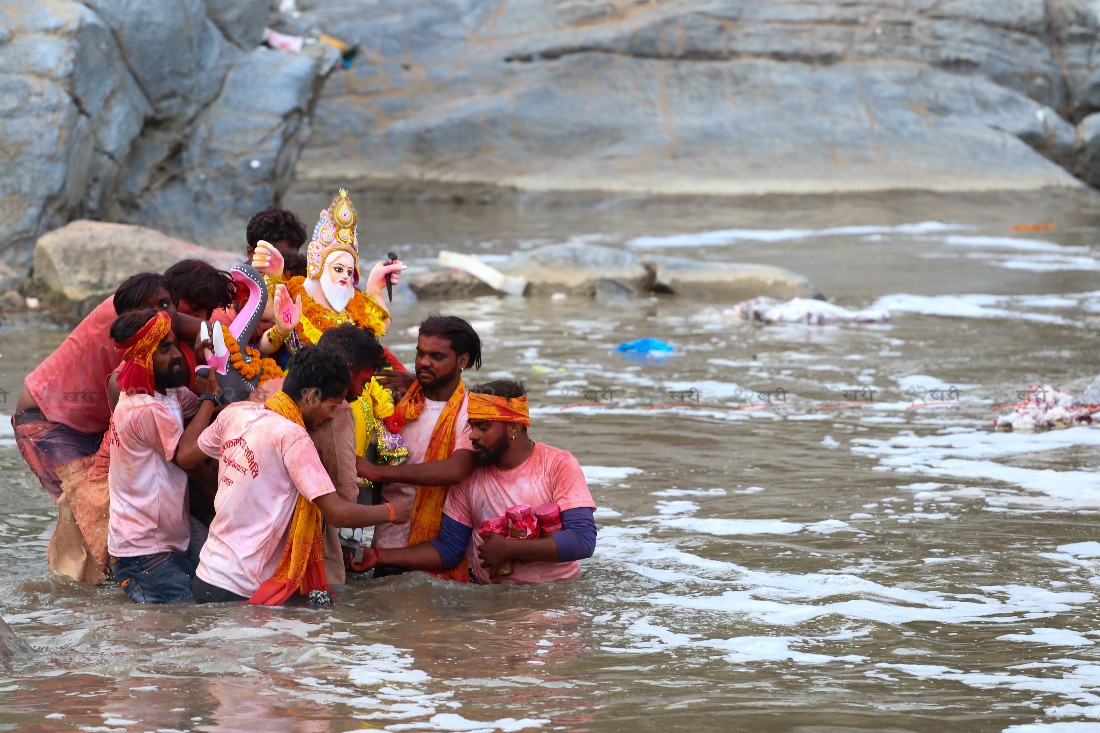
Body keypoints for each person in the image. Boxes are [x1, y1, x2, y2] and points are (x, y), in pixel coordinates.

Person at [176, 345, 411, 605]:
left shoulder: (236, 413)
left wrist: (208, 399)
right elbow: (337, 512)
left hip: (207, 576)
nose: (333, 415)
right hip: (245, 589)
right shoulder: (293, 437)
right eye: (334, 406)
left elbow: (185, 456)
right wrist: (392, 511)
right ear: (311, 397)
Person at [350, 381, 598, 584]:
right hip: (492, 602)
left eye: (483, 427)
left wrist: (510, 549)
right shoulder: (470, 476)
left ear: (513, 427)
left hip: (554, 598)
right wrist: (379, 556)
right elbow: (449, 549)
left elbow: (582, 540)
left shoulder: (558, 464)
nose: (473, 436)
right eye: (471, 426)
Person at [251, 322, 405, 587]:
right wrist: (391, 511)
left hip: (254, 524)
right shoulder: (339, 410)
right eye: (363, 381)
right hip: (303, 527)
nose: (360, 390)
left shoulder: (273, 386)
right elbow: (345, 492)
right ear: (346, 371)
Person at [14, 272, 178, 503]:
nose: (160, 315)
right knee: (85, 512)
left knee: (108, 515)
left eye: (166, 305)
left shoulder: (151, 312)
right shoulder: (133, 318)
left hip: (89, 425)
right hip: (48, 420)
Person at [355, 315, 481, 581]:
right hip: (386, 548)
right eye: (420, 353)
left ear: (462, 361)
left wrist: (379, 473)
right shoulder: (393, 400)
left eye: (436, 356)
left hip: (444, 552)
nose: (424, 362)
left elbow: (456, 470)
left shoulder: (472, 412)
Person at [107, 309, 221, 603]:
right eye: (165, 349)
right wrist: (210, 397)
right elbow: (185, 456)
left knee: (193, 618)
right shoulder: (145, 406)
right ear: (144, 357)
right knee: (182, 624)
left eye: (174, 345)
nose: (176, 356)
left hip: (161, 545)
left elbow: (195, 411)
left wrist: (208, 367)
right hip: (145, 552)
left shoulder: (166, 393)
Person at [249, 189, 405, 368]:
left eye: (349, 272)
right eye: (338, 269)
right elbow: (264, 341)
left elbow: (381, 325)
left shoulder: (352, 307)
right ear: (319, 269)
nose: (345, 277)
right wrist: (273, 279)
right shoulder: (297, 298)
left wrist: (375, 286)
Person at [246, 206, 307, 278]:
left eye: (288, 262)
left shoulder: (306, 281)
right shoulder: (236, 286)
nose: (281, 270)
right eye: (273, 262)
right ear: (250, 253)